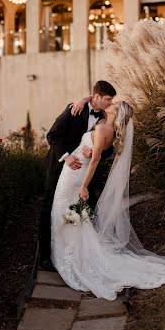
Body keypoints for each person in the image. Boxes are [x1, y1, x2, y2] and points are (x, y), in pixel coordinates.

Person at [50, 100, 165, 300]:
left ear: (117, 113)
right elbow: (96, 153)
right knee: (70, 213)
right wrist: (90, 152)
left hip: (76, 175)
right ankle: (71, 254)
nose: (112, 103)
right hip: (78, 169)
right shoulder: (109, 130)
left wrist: (84, 186)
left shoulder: (102, 129)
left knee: (63, 209)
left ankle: (72, 259)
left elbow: (96, 159)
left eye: (115, 104)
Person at [38, 80, 117, 272]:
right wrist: (66, 157)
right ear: (97, 97)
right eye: (107, 99)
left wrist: (95, 152)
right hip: (59, 167)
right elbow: (52, 136)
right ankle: (45, 256)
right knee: (50, 207)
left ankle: (73, 249)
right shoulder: (74, 109)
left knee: (85, 208)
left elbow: (108, 148)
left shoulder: (105, 117)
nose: (110, 103)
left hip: (84, 173)